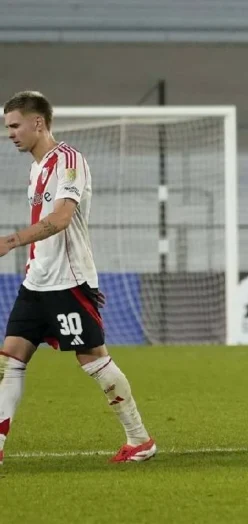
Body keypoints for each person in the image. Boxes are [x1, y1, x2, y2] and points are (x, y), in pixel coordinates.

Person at [0, 91, 155, 465]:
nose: (10, 134)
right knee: (10, 359)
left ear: (38, 122)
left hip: (67, 282)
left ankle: (140, 440)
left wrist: (11, 241)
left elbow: (61, 218)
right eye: (7, 127)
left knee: (93, 359)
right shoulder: (36, 168)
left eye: (15, 125)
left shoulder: (69, 161)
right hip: (37, 281)